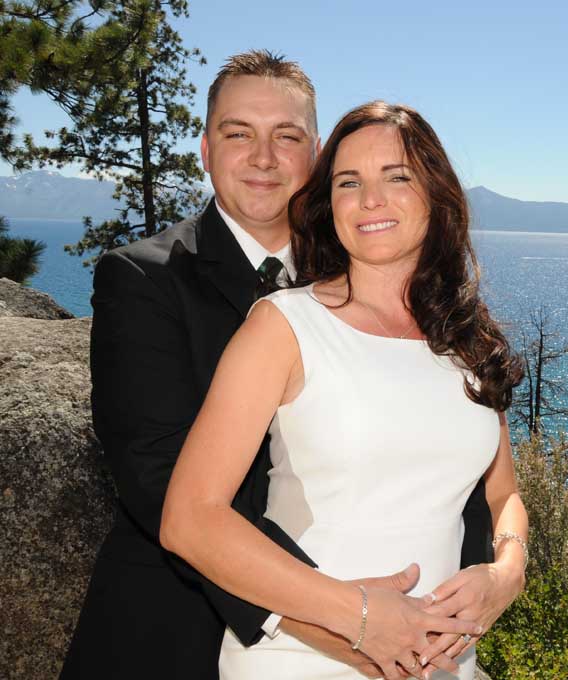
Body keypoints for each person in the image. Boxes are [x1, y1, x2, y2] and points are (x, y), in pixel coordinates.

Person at [61, 52, 492, 680]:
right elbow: (159, 483)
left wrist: (474, 594)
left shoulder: (363, 279)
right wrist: (343, 624)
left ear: (315, 155)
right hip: (180, 626)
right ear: (206, 150)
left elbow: (458, 466)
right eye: (239, 134)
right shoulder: (143, 279)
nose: (264, 157)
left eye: (286, 136)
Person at [159, 101, 529, 680]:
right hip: (304, 659)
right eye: (348, 182)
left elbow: (503, 494)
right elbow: (189, 518)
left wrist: (507, 572)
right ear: (328, 205)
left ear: (437, 194)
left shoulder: (466, 338)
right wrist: (358, 616)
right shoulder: (282, 327)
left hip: (444, 667)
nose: (370, 199)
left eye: (397, 177)